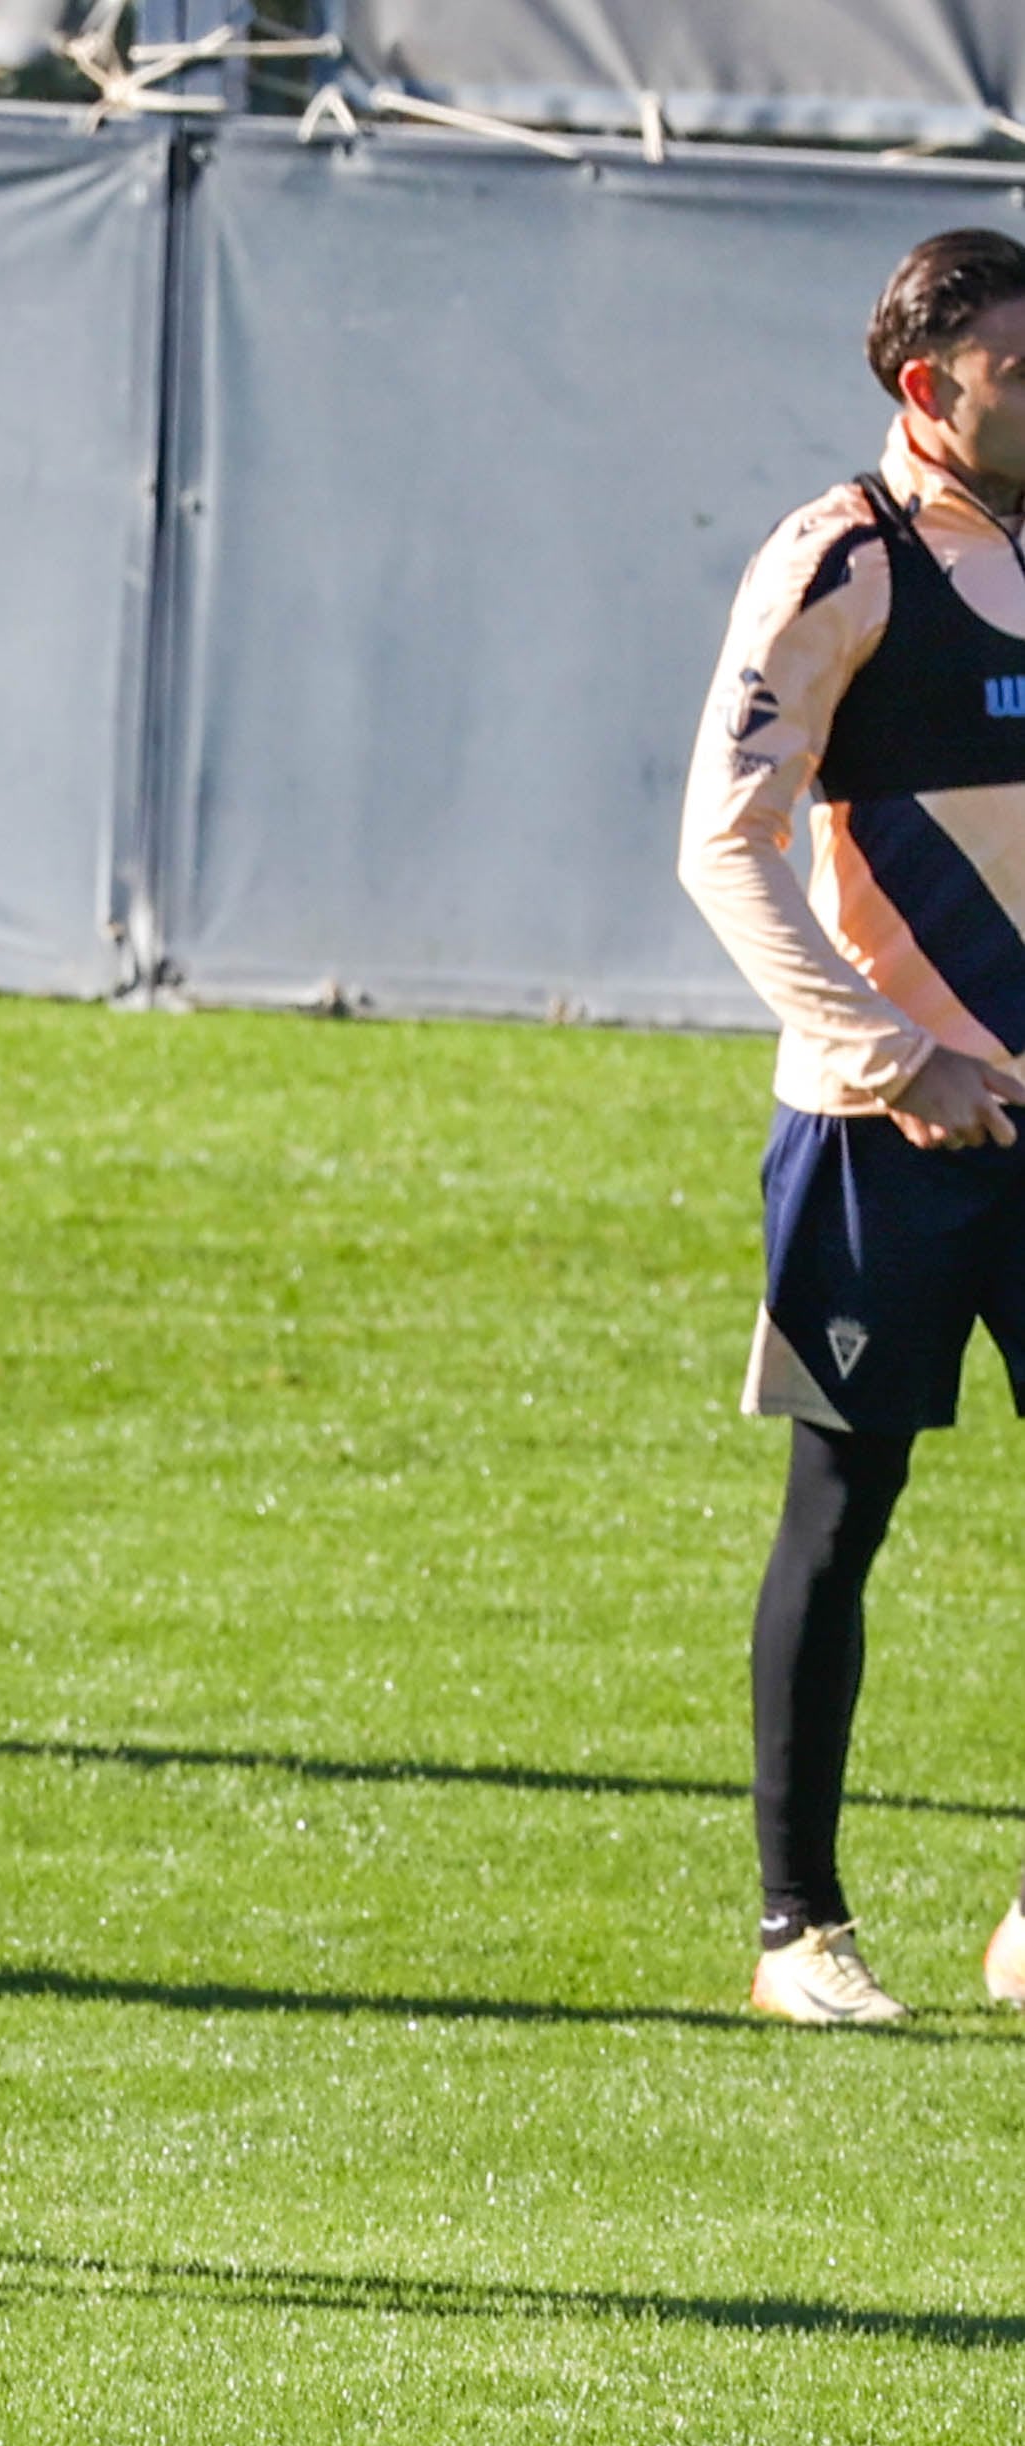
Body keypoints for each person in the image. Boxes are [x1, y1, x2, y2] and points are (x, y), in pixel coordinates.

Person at [683, 228, 1025, 2026]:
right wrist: (901, 1057)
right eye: (1021, 373)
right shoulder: (843, 561)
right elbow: (719, 846)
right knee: (843, 1508)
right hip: (879, 1143)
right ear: (930, 390)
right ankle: (796, 1932)